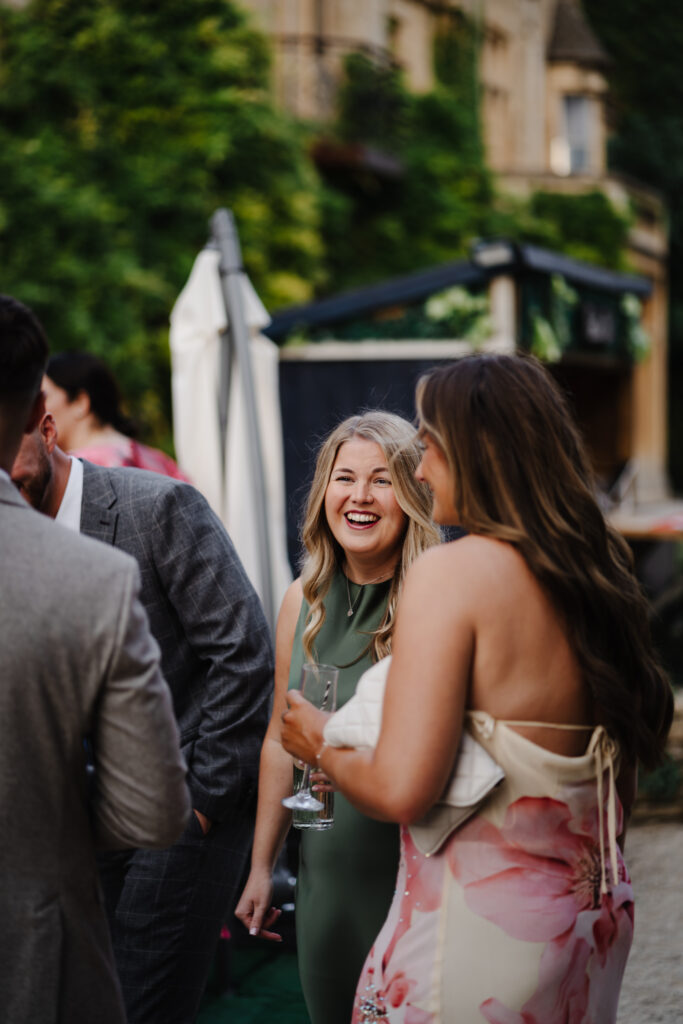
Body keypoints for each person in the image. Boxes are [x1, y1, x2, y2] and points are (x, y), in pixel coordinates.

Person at [282, 354, 674, 1024]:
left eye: (427, 446)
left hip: (475, 946)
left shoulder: (451, 575)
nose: (422, 467)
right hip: (584, 928)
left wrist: (318, 743)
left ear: (477, 450)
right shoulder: (598, 575)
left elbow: (403, 787)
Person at [11, 411, 274, 1024]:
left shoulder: (159, 509)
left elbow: (244, 654)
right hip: (69, 829)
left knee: (141, 1008)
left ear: (47, 431)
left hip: (178, 815)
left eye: (12, 464)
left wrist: (199, 807)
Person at [0, 294, 191, 1024]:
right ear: (32, 418)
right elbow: (151, 808)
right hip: (34, 955)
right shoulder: (93, 579)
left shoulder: (142, 513)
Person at [235, 411, 440, 1024]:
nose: (359, 496)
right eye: (344, 477)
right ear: (324, 490)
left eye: (381, 480)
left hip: (411, 877)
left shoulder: (436, 602)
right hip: (324, 878)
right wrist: (262, 866)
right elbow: (278, 737)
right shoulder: (302, 600)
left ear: (411, 493)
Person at [42, 350, 189, 479]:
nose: (37, 407)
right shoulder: (157, 459)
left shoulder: (73, 471)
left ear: (81, 402)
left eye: (44, 397)